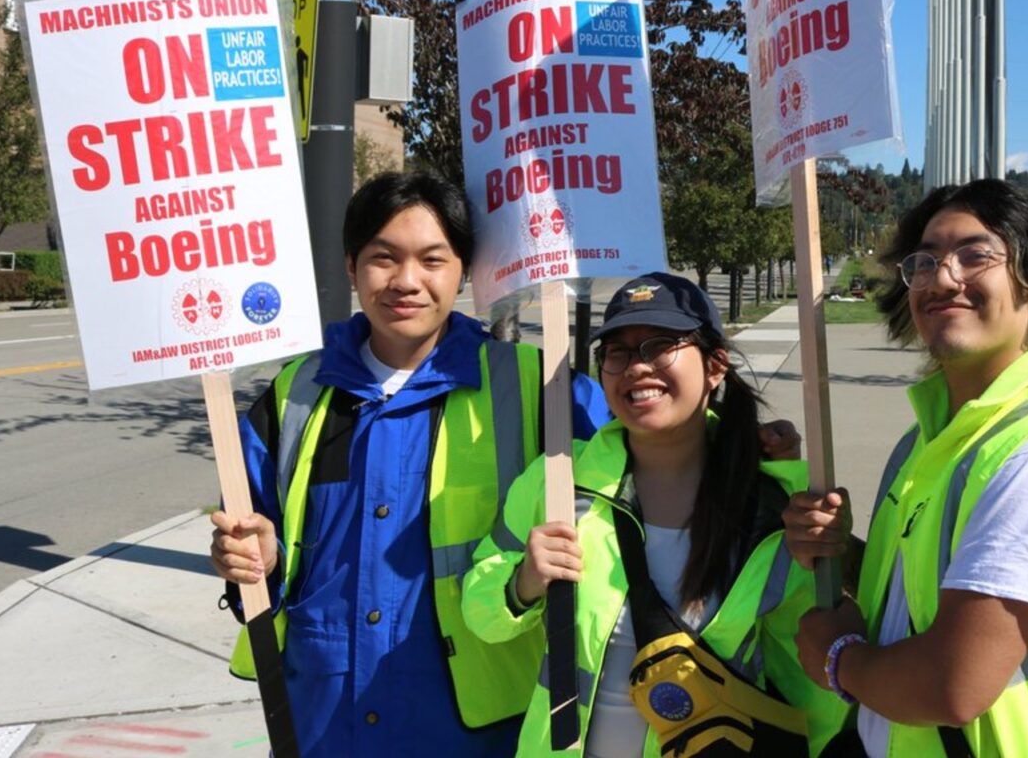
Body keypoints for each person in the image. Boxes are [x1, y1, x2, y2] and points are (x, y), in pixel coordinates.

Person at [208, 172, 611, 757]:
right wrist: (252, 558)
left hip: (476, 730)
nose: (406, 281)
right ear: (351, 266)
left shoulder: (539, 388)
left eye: (432, 260)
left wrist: (751, 450)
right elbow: (253, 534)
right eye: (383, 258)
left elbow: (645, 463)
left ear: (464, 271)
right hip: (322, 723)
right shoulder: (294, 394)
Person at [786, 179, 1028, 757]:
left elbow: (952, 685)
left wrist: (838, 659)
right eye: (924, 261)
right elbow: (916, 604)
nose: (942, 278)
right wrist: (839, 552)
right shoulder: (929, 438)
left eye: (975, 255)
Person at [464, 273, 851, 757]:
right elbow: (480, 613)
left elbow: (811, 680)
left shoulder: (778, 507)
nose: (637, 367)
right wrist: (521, 583)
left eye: (661, 345)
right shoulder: (558, 481)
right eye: (618, 352)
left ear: (715, 367)